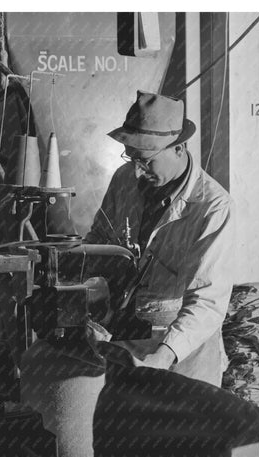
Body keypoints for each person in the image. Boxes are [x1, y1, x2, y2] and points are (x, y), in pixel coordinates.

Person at [85, 90, 235, 386]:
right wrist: (90, 297)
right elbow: (100, 240)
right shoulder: (124, 179)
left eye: (147, 161)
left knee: (183, 429)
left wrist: (164, 356)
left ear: (179, 148)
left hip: (183, 350)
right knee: (131, 427)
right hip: (128, 336)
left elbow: (207, 300)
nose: (138, 172)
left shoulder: (212, 206)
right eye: (133, 160)